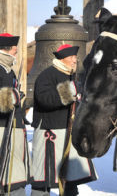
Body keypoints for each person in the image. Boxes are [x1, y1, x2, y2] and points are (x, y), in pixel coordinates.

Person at [31, 44, 97, 196]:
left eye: (75, 57)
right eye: (72, 57)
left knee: (70, 177)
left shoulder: (71, 75)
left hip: (69, 131)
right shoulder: (46, 75)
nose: (75, 60)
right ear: (63, 59)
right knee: (44, 177)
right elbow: (44, 99)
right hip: (51, 132)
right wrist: (70, 92)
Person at [0, 33, 30, 196]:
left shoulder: (8, 70)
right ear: (7, 51)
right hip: (2, 129)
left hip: (13, 128)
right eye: (15, 51)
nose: (16, 54)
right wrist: (13, 96)